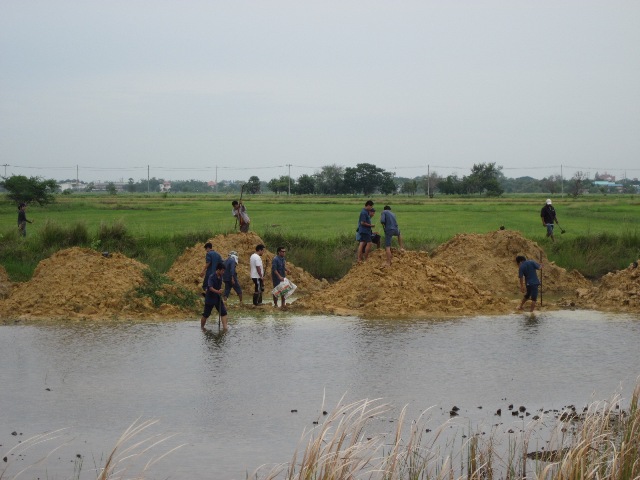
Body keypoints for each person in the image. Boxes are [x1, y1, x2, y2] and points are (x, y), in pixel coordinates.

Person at [201, 262, 228, 330]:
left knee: (223, 312)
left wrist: (221, 292)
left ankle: (225, 328)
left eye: (224, 271)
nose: (223, 272)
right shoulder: (212, 277)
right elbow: (210, 287)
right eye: (222, 270)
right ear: (218, 270)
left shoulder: (221, 276)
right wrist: (218, 291)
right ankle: (202, 327)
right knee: (206, 314)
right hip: (210, 298)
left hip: (217, 297)